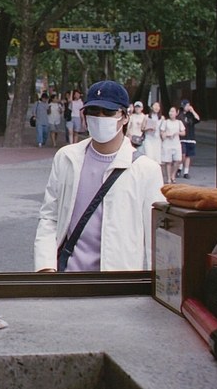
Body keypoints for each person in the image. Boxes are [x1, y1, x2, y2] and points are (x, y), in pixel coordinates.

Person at [34, 80, 165, 272]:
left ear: (125, 117)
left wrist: (159, 284)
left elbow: (156, 237)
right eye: (93, 111)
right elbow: (49, 216)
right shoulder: (66, 158)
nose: (100, 118)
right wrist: (46, 267)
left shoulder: (146, 170)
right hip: (66, 278)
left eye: (108, 112)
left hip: (117, 281)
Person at [160, 105, 186, 184]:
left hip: (176, 143)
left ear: (176, 113)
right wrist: (166, 135)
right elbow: (162, 132)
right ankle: (168, 178)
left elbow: (183, 132)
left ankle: (173, 175)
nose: (171, 113)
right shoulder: (166, 122)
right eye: (170, 111)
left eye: (173, 111)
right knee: (168, 161)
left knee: (178, 160)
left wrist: (177, 133)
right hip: (167, 144)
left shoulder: (179, 122)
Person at [177, 99, 201, 179]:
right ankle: (180, 167)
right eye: (186, 105)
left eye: (188, 105)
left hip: (190, 137)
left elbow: (198, 119)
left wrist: (193, 111)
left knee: (188, 155)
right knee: (182, 154)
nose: (187, 107)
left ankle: (186, 172)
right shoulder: (179, 115)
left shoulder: (191, 115)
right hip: (182, 138)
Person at [143, 101, 163, 165]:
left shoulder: (162, 118)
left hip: (157, 140)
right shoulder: (147, 117)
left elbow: (163, 129)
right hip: (148, 139)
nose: (156, 107)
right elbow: (142, 128)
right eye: (155, 105)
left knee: (157, 158)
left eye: (158, 106)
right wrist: (149, 128)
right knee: (149, 157)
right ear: (151, 107)